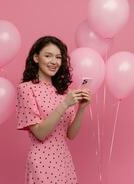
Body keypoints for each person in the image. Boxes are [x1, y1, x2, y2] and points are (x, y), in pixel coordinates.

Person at [16, 36, 91, 183]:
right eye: (48, 55)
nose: (54, 61)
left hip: (64, 160)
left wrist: (81, 108)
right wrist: (64, 104)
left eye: (58, 57)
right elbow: (40, 133)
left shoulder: (64, 92)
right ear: (36, 58)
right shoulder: (26, 89)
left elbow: (70, 134)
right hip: (42, 162)